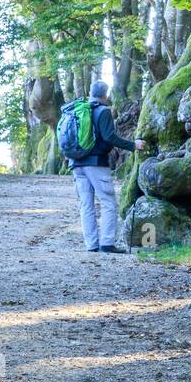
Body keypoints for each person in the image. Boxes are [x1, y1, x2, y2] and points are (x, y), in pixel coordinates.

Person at [69, 81, 145, 253]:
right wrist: (133, 145)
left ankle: (91, 245)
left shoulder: (77, 110)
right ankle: (107, 243)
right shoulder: (103, 111)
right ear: (106, 94)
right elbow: (110, 137)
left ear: (90, 91)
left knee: (86, 205)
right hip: (96, 163)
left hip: (76, 164)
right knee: (108, 202)